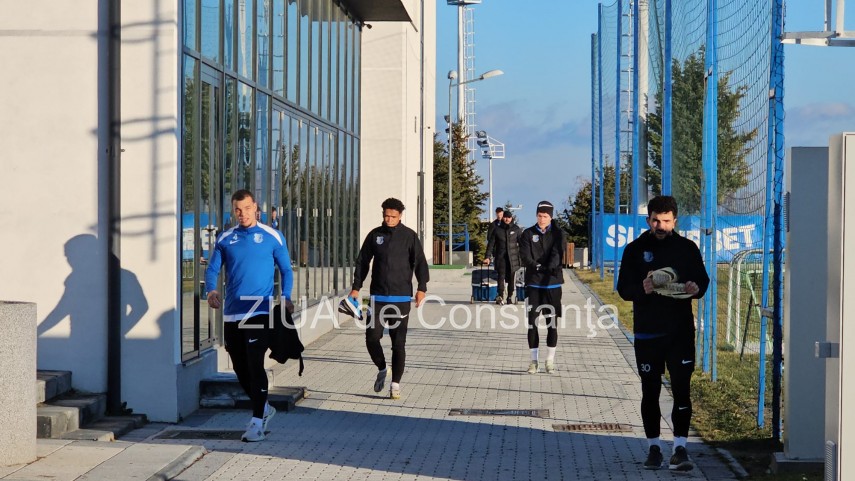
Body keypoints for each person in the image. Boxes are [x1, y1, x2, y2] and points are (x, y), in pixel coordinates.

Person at [616, 195, 709, 471]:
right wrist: (641, 289)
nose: (660, 226)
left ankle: (680, 448)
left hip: (680, 332)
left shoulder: (687, 248)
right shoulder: (635, 249)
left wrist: (695, 288)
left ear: (675, 221)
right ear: (648, 220)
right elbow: (623, 288)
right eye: (656, 220)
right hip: (648, 332)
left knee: (681, 389)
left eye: (666, 221)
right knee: (650, 391)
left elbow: (702, 280)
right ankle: (654, 448)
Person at [205, 189, 294, 442]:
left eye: (246, 208)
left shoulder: (272, 236)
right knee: (240, 367)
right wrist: (211, 290)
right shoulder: (226, 238)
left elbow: (286, 270)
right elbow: (212, 270)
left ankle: (256, 423)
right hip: (233, 313)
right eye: (237, 209)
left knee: (255, 364)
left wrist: (286, 296)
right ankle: (263, 407)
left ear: (256, 207)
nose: (242, 214)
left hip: (259, 310)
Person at [349, 198, 429, 400]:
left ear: (400, 216)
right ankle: (383, 368)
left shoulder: (409, 236)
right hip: (377, 297)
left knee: (398, 343)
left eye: (393, 216)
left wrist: (422, 288)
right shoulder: (375, 235)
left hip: (401, 297)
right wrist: (356, 288)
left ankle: (395, 384)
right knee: (371, 337)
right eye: (386, 215)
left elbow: (420, 262)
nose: (389, 219)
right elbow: (362, 262)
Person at [518, 201, 567, 374]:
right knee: (532, 323)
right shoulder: (528, 233)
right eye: (539, 216)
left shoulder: (558, 234)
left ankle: (549, 361)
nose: (542, 219)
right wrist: (538, 267)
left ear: (550, 217)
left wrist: (549, 268)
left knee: (551, 324)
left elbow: (557, 255)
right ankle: (534, 361)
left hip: (552, 283)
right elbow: (525, 256)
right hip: (534, 283)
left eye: (545, 216)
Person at [483, 209, 522, 305]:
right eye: (505, 217)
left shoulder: (516, 229)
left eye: (509, 217)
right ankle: (500, 296)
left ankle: (509, 297)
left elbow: (522, 244)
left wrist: (525, 256)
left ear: (511, 218)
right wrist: (487, 256)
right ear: (503, 218)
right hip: (501, 258)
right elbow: (491, 244)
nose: (507, 219)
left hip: (513, 259)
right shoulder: (497, 230)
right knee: (501, 277)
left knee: (511, 279)